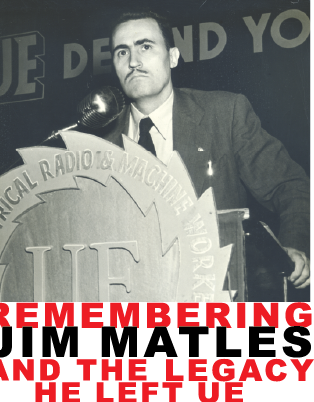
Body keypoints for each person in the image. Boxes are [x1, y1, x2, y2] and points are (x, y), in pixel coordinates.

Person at [104, 9, 310, 290]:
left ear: (173, 57)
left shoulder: (225, 114)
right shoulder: (99, 141)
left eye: (145, 47)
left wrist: (294, 246)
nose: (134, 62)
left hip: (217, 295)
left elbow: (290, 186)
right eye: (122, 52)